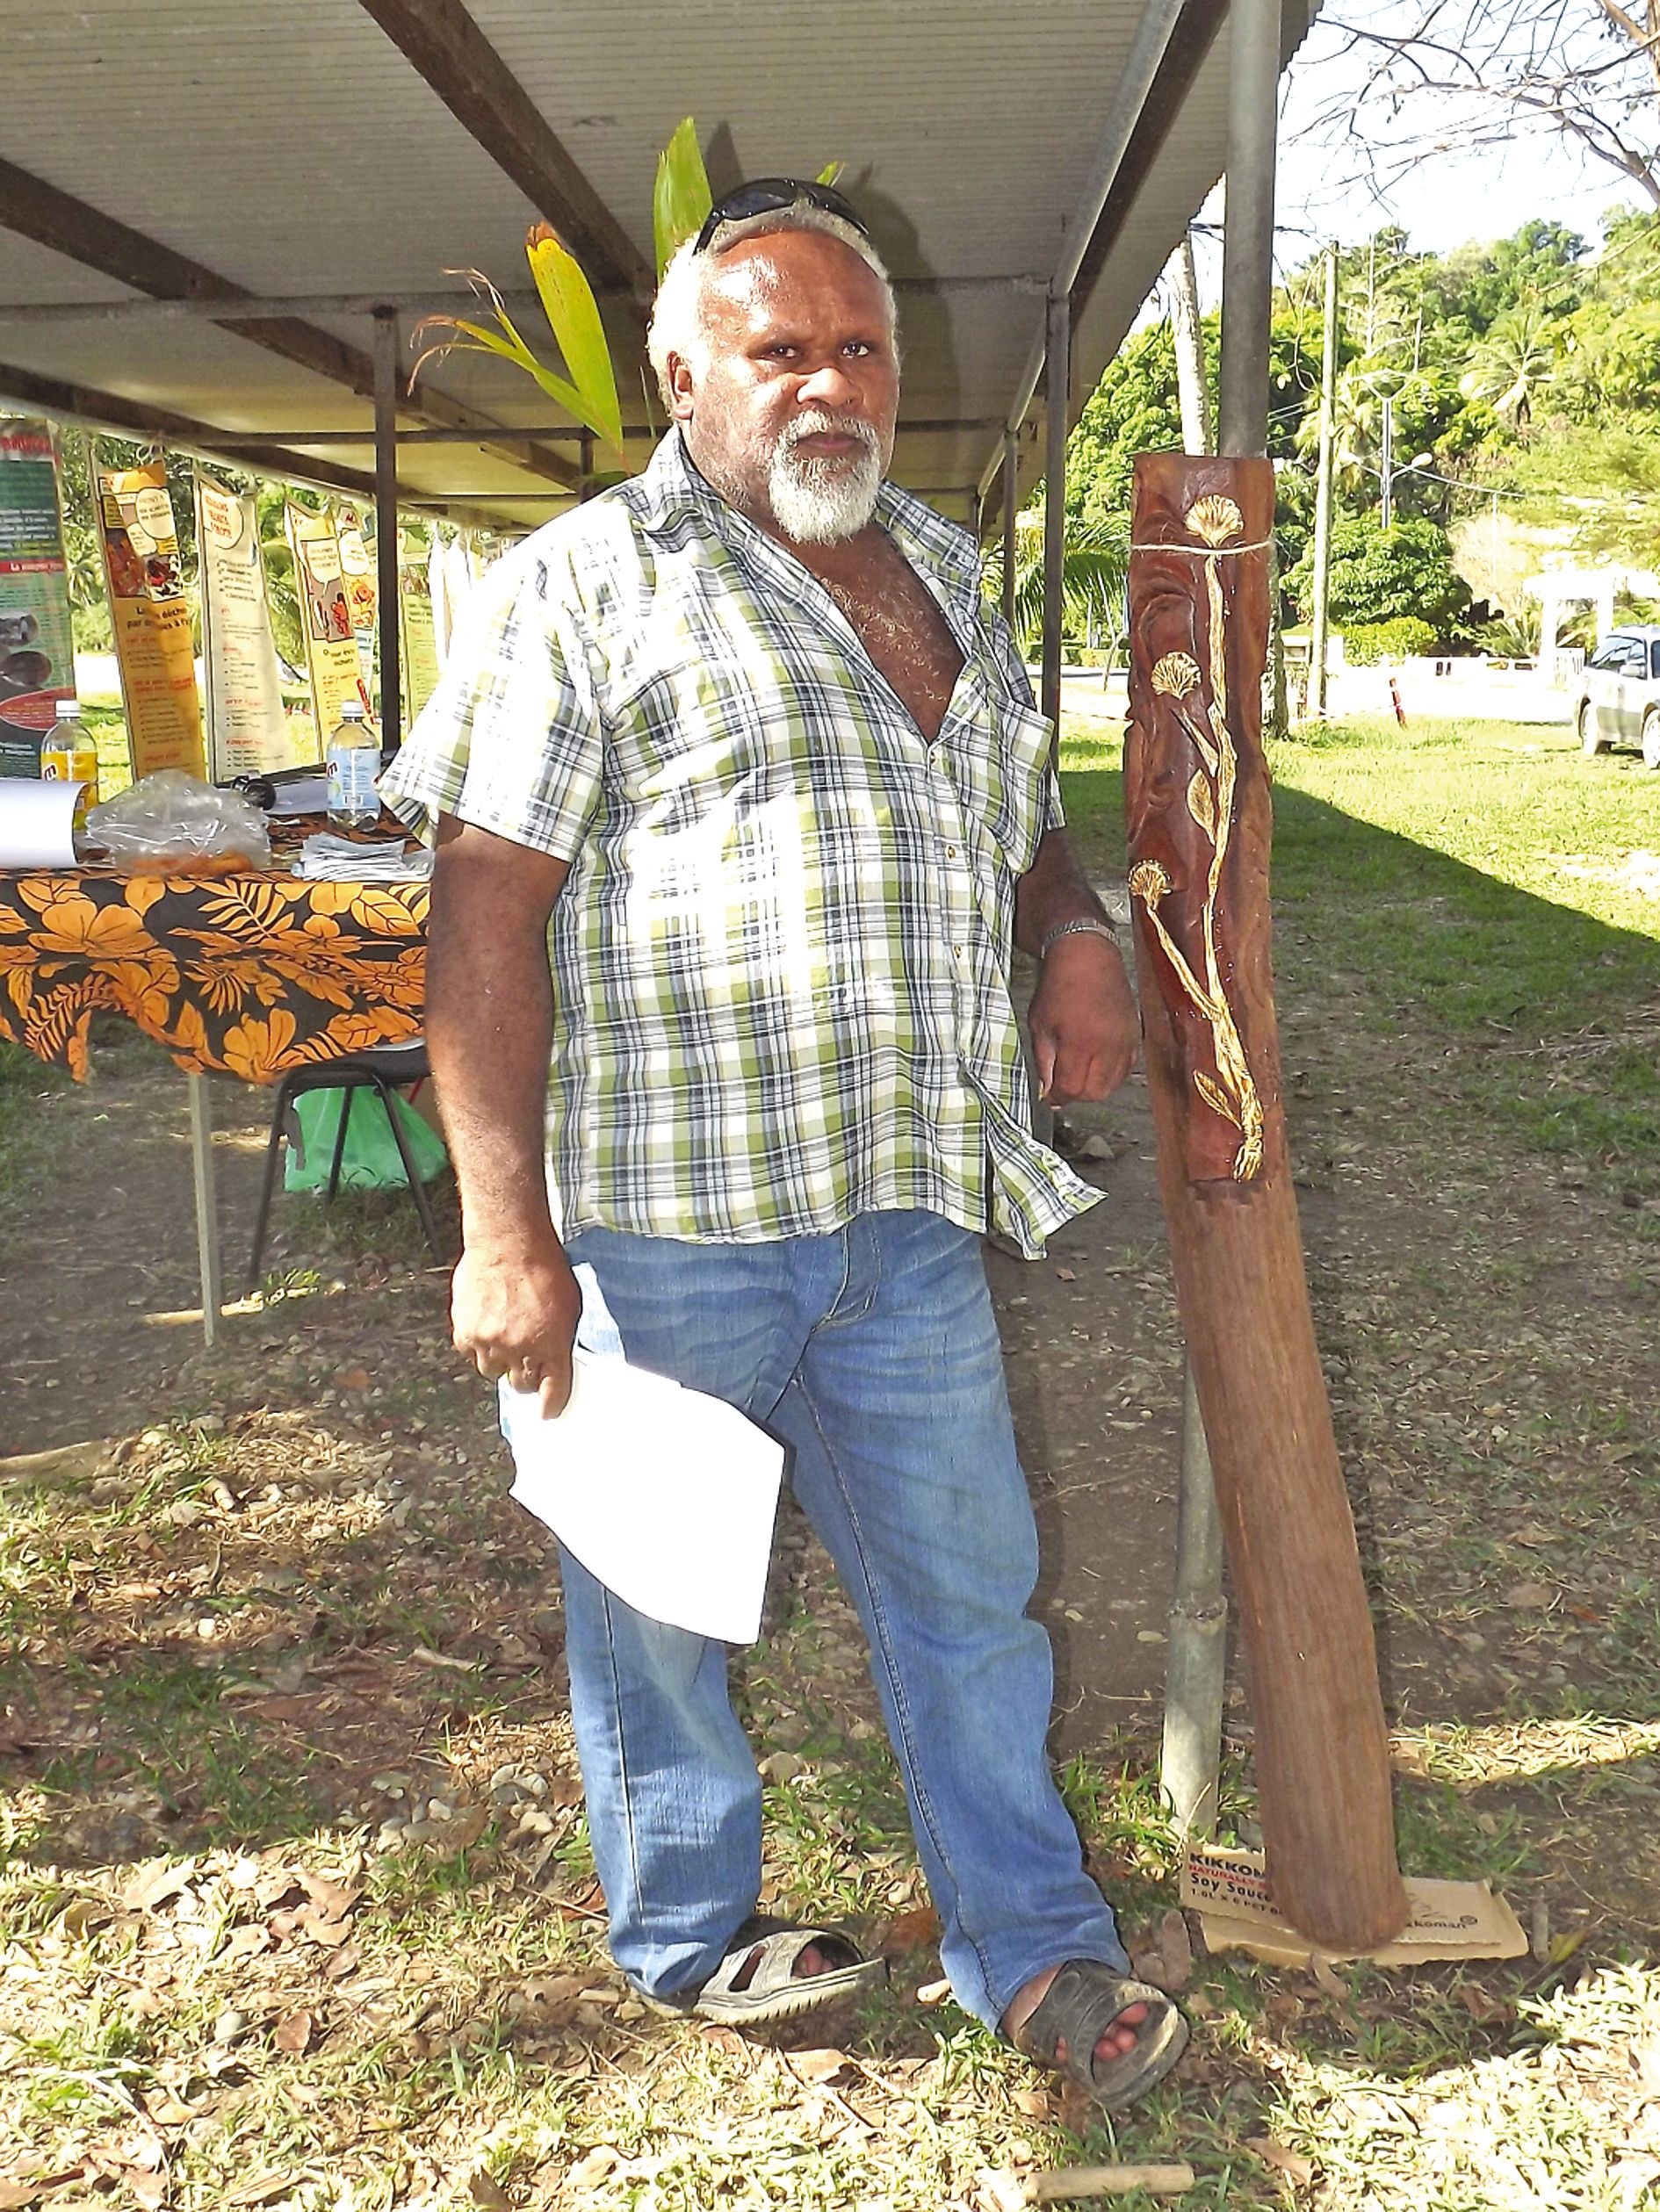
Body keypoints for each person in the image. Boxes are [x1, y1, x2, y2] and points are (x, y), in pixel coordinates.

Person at [381, 178, 1187, 2113]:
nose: (828, 386)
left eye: (859, 348)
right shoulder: (584, 583)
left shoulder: (945, 568)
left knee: (969, 1597)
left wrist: (1071, 931)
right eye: (779, 351)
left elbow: (1015, 818)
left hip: (903, 1204)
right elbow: (482, 911)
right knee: (656, 1607)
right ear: (685, 376)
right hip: (672, 1226)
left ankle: (1033, 1948)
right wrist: (503, 1232)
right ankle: (684, 1928)